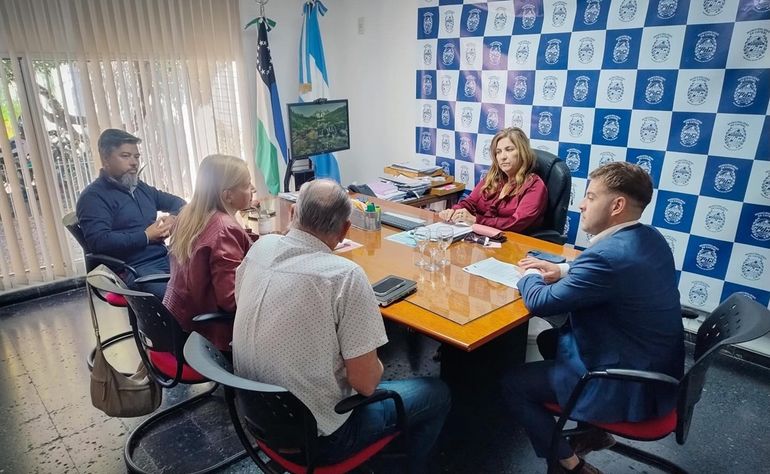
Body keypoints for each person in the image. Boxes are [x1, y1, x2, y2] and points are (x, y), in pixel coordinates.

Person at [233, 179, 450, 473]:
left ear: (294, 212)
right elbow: (367, 384)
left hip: (256, 419)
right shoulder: (344, 276)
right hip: (320, 440)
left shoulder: (261, 247)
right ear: (346, 229)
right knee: (436, 392)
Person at [501, 162, 684, 473]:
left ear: (617, 205)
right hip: (657, 367)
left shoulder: (607, 257)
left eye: (591, 196)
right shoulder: (648, 237)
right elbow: (611, 271)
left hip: (629, 384)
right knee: (550, 340)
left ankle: (571, 465)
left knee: (513, 383)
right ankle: (591, 431)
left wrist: (526, 274)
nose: (582, 205)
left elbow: (542, 302)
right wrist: (561, 269)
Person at [76, 129, 185, 299]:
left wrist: (173, 219)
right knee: (177, 298)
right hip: (131, 268)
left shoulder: (139, 188)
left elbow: (178, 204)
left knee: (208, 282)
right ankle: (169, 326)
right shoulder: (93, 197)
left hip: (165, 257)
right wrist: (146, 236)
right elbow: (99, 242)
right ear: (106, 159)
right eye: (125, 156)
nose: (134, 162)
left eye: (136, 157)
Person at [163, 155, 255, 351]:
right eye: (247, 185)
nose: (253, 189)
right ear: (227, 195)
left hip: (179, 322)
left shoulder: (188, 214)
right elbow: (232, 300)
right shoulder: (225, 229)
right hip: (211, 335)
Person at [438, 127, 547, 232]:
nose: (502, 156)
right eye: (498, 152)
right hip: (485, 238)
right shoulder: (493, 178)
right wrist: (454, 211)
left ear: (523, 153)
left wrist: (476, 220)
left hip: (516, 244)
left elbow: (516, 223)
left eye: (509, 150)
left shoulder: (534, 185)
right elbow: (470, 203)